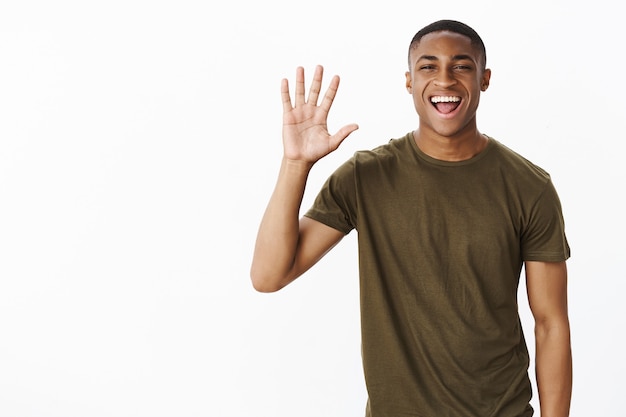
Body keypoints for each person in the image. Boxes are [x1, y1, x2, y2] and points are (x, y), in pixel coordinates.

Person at [250, 19, 572, 417]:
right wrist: (295, 164)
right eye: (428, 66)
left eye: (461, 66)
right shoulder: (366, 177)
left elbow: (550, 324)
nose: (445, 79)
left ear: (484, 78)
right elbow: (268, 275)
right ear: (408, 81)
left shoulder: (529, 187)